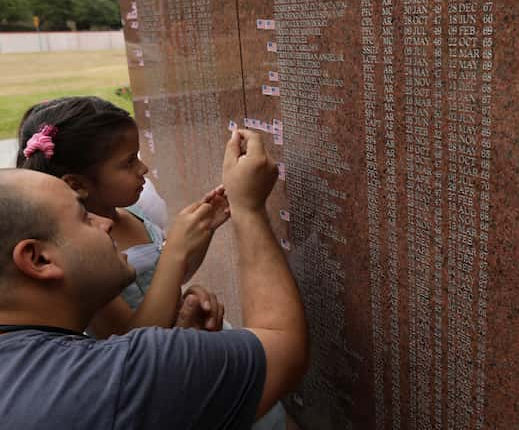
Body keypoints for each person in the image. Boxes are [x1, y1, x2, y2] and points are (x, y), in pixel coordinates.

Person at [0, 128, 308, 428]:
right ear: (39, 259)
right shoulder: (112, 379)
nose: (104, 224)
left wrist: (179, 350)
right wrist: (248, 207)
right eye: (83, 217)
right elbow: (283, 347)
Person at [16, 97, 227, 335]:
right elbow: (128, 340)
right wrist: (176, 249)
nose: (143, 169)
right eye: (129, 163)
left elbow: (171, 275)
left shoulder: (134, 213)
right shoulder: (80, 255)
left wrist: (204, 228)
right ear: (76, 184)